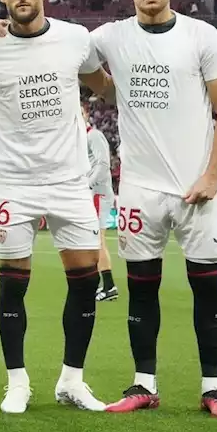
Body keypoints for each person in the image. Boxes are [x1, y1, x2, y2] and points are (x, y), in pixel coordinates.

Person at [0, 0, 217, 419]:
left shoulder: (202, 36)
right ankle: (144, 383)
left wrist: (212, 175)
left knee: (207, 286)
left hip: (197, 187)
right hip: (139, 188)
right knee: (141, 289)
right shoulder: (104, 38)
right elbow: (47, 42)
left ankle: (213, 388)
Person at [0, 0, 115, 414]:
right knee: (13, 287)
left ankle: (72, 380)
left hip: (70, 182)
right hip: (15, 185)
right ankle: (17, 382)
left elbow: (103, 87)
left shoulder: (74, 39)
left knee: (85, 283)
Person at [84, 100, 118, 302]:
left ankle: (109, 286)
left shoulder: (93, 135)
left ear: (86, 114)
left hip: (97, 194)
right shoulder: (78, 139)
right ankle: (100, 283)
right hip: (90, 193)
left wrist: (87, 185)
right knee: (90, 240)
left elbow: (103, 164)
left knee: (97, 239)